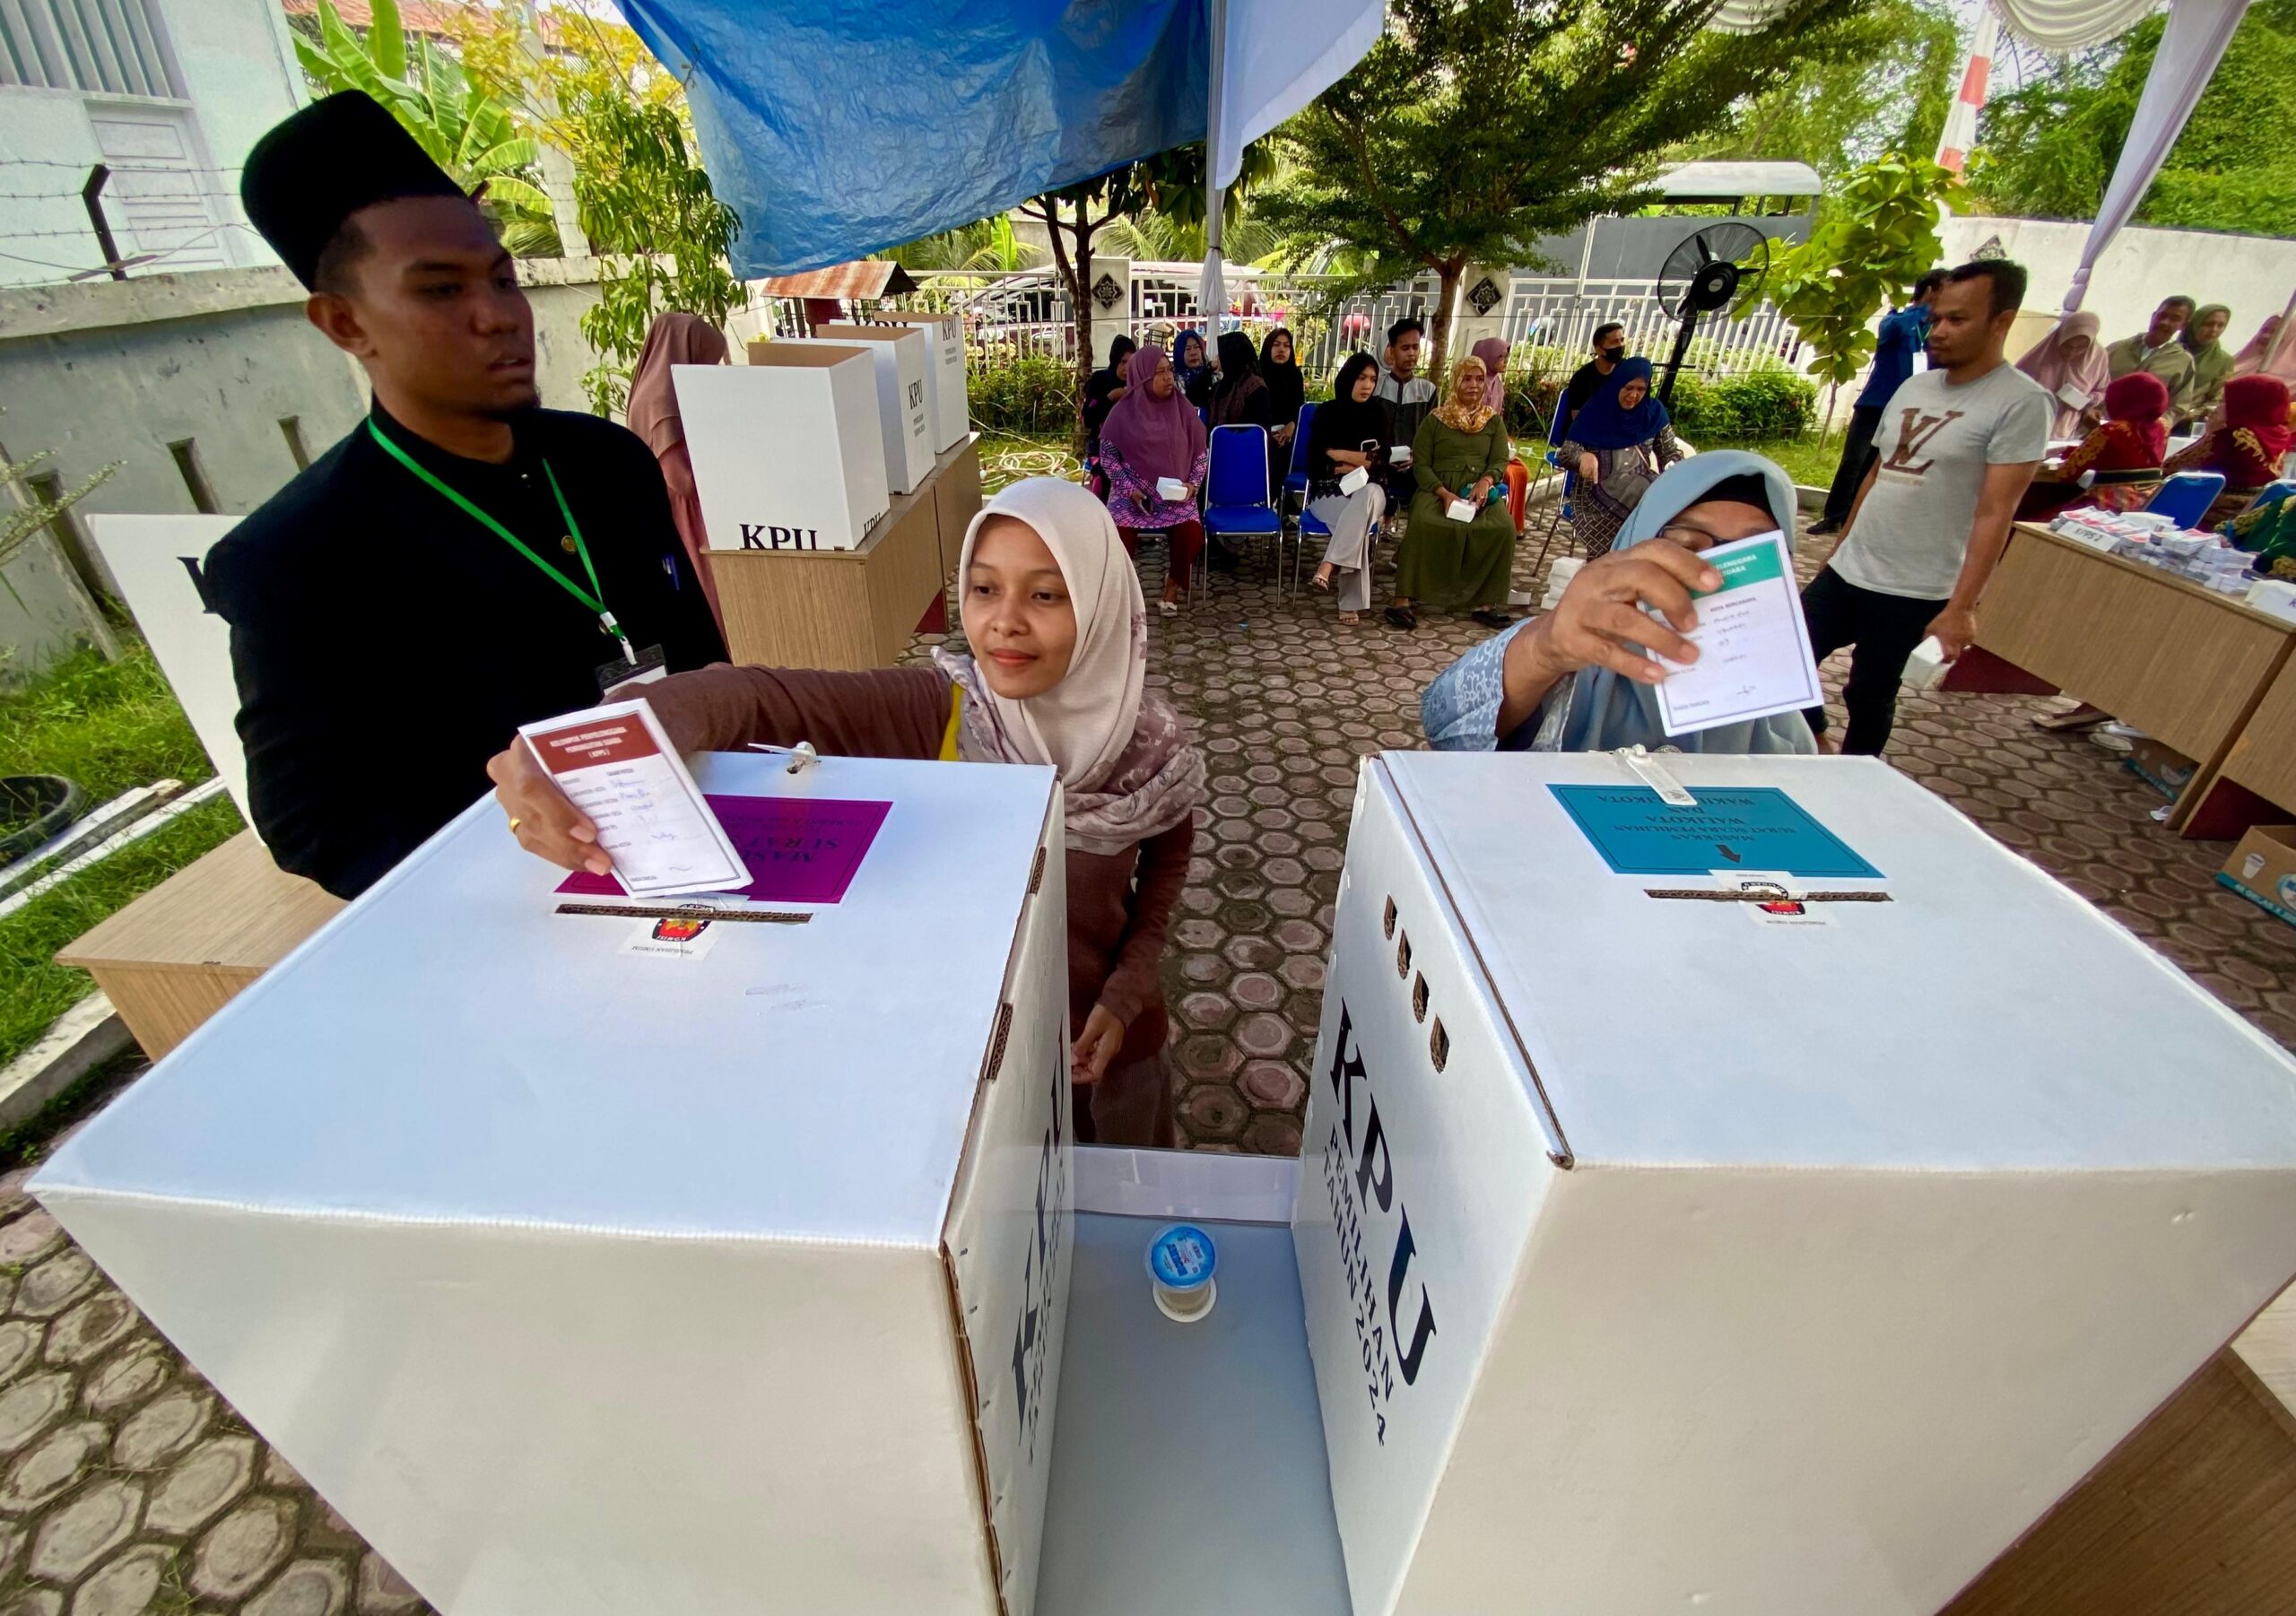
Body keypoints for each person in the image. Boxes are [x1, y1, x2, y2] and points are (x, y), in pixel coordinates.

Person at [481, 479, 1206, 1147]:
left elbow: (1164, 868)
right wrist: (604, 739)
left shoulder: (1150, 752)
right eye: (984, 589)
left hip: (1108, 1044)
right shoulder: (941, 714)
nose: (1004, 623)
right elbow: (757, 697)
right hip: (975, 1055)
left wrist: (1125, 992)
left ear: (1105, 604)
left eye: (1047, 596)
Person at [204, 91, 725, 899]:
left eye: (503, 279)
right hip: (518, 906)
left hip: (705, 848)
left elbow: (701, 661)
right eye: (441, 291)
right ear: (344, 322)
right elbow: (316, 826)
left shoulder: (609, 460)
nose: (497, 318)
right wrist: (512, 822)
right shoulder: (294, 557)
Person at [1800, 258, 2049, 757]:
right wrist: (1840, 546)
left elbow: (1996, 512)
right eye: (1936, 318)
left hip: (1915, 588)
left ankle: (1854, 780)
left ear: (2001, 321)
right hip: (1851, 571)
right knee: (1786, 661)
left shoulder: (2020, 403)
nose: (1938, 331)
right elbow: (1877, 473)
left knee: (1869, 694)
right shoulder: (1914, 387)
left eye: (1958, 320)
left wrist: (1962, 608)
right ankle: (1819, 746)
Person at [1422, 453, 1815, 754]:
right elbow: (1443, 724)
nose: (1713, 576)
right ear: (1639, 542)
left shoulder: (1782, 725)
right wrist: (1544, 648)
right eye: (1687, 545)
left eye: (1752, 552)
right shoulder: (1580, 652)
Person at [1387, 356, 1517, 631]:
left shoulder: (1492, 422)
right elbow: (1421, 464)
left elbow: (1499, 461)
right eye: (1467, 379)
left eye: (1480, 379)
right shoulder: (1435, 420)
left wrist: (1485, 482)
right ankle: (1403, 600)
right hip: (1437, 489)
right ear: (1456, 381)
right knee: (1424, 522)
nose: (1474, 385)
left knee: (1503, 527)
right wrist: (1444, 494)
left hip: (1478, 491)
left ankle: (1487, 603)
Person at [1813, 270, 1945, 535]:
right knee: (1854, 461)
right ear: (1931, 291)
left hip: (1912, 407)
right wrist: (1924, 313)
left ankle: (1857, 519)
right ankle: (1834, 516)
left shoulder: (1938, 330)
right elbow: (1890, 333)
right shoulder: (1897, 321)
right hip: (1875, 404)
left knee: (1883, 465)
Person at [626, 312, 731, 632]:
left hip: (680, 512)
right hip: (688, 517)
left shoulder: (655, 392)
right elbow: (682, 479)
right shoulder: (662, 404)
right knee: (713, 601)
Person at [1098, 344, 1209, 615]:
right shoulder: (1122, 414)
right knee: (1116, 538)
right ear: (1143, 377)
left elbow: (1200, 455)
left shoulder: (1183, 410)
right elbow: (1108, 459)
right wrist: (1129, 489)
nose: (1168, 377)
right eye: (1159, 372)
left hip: (1174, 498)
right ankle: (1124, 595)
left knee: (1192, 534)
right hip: (1132, 498)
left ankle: (1171, 589)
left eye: (1169, 370)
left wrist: (1192, 486)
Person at [1557, 356, 1683, 559]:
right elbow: (1566, 453)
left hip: (1640, 482)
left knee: (1663, 496)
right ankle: (1623, 561)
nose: (1633, 395)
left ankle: (1642, 562)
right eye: (1628, 388)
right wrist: (1583, 457)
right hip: (1596, 491)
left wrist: (1673, 464)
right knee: (1649, 497)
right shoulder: (1595, 411)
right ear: (1617, 384)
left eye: (1641, 390)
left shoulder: (1654, 413)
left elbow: (1669, 452)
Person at [1305, 353, 1393, 624]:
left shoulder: (1379, 413)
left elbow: (1383, 459)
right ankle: (1349, 603)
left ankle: (1328, 564)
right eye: (1361, 378)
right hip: (1330, 492)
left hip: (1372, 490)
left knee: (1364, 499)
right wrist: (1358, 462)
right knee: (1356, 527)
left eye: (1373, 379)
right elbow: (1316, 461)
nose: (1367, 385)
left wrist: (1341, 455)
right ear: (1348, 378)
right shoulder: (1327, 413)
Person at [2017, 372, 2170, 520]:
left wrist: (2068, 453)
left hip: (2110, 503)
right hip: (2149, 501)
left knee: (2033, 513)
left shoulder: (2111, 430)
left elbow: (2067, 474)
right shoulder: (2163, 426)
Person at [2164, 374, 2294, 527]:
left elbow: (2171, 468)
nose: (2218, 407)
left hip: (2209, 514)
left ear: (2243, 404)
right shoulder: (2281, 434)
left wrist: (2209, 435)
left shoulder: (2233, 434)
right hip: (2252, 517)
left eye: (2225, 401)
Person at [2014, 310, 2112, 439]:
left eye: (2081, 348)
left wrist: (2086, 400)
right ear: (2061, 337)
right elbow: (2013, 384)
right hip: (2025, 426)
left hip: (2062, 430)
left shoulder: (2098, 358)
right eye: (2067, 345)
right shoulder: (2042, 353)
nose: (2072, 352)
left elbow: (2103, 390)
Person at [2105, 296, 2197, 420]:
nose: (2165, 322)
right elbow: (2093, 387)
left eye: (2175, 319)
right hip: (2098, 427)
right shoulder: (2116, 349)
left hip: (2141, 434)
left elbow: (2178, 407)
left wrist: (2153, 427)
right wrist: (2090, 409)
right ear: (2153, 316)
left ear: (2183, 325)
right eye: (2162, 315)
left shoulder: (2183, 361)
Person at [1373, 317, 1438, 452]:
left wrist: (1416, 456)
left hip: (1415, 466)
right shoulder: (1376, 387)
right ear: (1392, 350)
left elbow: (1432, 433)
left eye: (1415, 347)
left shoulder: (1428, 391)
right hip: (1379, 465)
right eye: (1405, 348)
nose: (1411, 354)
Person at [1555, 323, 1626, 442]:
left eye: (1622, 340)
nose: (1620, 345)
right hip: (1583, 439)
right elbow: (1579, 418)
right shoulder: (1582, 378)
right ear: (1599, 349)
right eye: (1614, 342)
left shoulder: (1626, 371)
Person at [1081, 333, 1137, 465]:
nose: (1127, 368)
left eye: (1131, 362)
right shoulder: (1100, 380)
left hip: (1132, 452)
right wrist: (1111, 398)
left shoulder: (1137, 384)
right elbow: (1088, 419)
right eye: (1123, 362)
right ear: (1115, 360)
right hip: (1101, 452)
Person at [1259, 326, 1307, 482]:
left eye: (1287, 346)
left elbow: (1299, 408)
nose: (1282, 349)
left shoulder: (1295, 376)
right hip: (1263, 434)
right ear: (1268, 347)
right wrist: (1269, 433)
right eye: (1277, 344)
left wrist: (1292, 425)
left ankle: (1282, 498)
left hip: (1289, 436)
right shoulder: (1258, 376)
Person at [2179, 303, 2236, 428]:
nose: (2214, 330)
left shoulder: (2223, 361)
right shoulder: (2170, 352)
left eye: (2221, 325)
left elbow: (2216, 399)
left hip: (2187, 425)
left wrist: (2190, 415)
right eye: (2208, 324)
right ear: (2194, 324)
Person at [1207, 330, 1274, 431]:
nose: (1217, 357)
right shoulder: (1221, 385)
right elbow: (1195, 395)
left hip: (1244, 445)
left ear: (1231, 355)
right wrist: (1209, 368)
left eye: (1220, 353)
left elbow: (1255, 430)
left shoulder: (1255, 388)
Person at [1171, 328, 1213, 408]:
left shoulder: (1213, 373)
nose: (1193, 353)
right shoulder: (1172, 380)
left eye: (1196, 347)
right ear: (1179, 353)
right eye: (1188, 349)